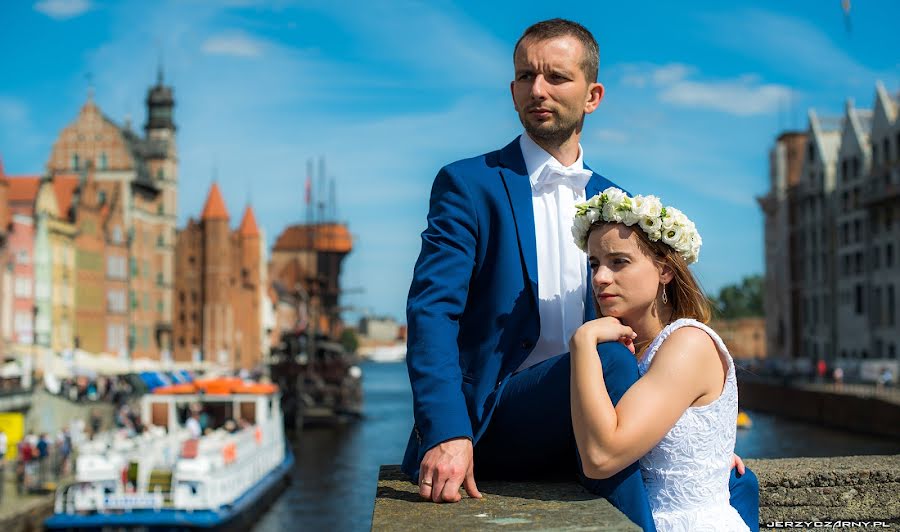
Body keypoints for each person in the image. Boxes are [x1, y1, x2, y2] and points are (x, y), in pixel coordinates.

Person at [403, 17, 758, 531]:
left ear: (593, 95)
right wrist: (445, 432)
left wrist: (692, 446)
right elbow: (431, 310)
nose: (537, 90)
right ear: (512, 89)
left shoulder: (616, 200)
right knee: (606, 355)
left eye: (555, 77)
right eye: (525, 76)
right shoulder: (468, 184)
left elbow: (646, 319)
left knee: (735, 484)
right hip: (495, 419)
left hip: (587, 421)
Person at [568, 189, 749, 530]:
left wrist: (582, 342)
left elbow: (601, 457)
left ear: (664, 270)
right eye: (594, 264)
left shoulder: (688, 344)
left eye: (619, 262)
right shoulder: (636, 350)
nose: (600, 278)